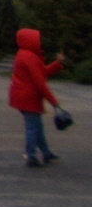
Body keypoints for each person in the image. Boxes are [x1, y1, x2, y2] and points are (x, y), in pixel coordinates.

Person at [8, 28, 65, 168]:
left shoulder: (25, 55)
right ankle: (31, 156)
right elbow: (40, 81)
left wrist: (57, 64)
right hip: (28, 97)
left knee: (36, 126)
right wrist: (54, 102)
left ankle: (45, 153)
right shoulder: (29, 57)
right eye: (37, 39)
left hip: (23, 96)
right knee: (33, 127)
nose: (39, 42)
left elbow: (42, 73)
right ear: (30, 40)